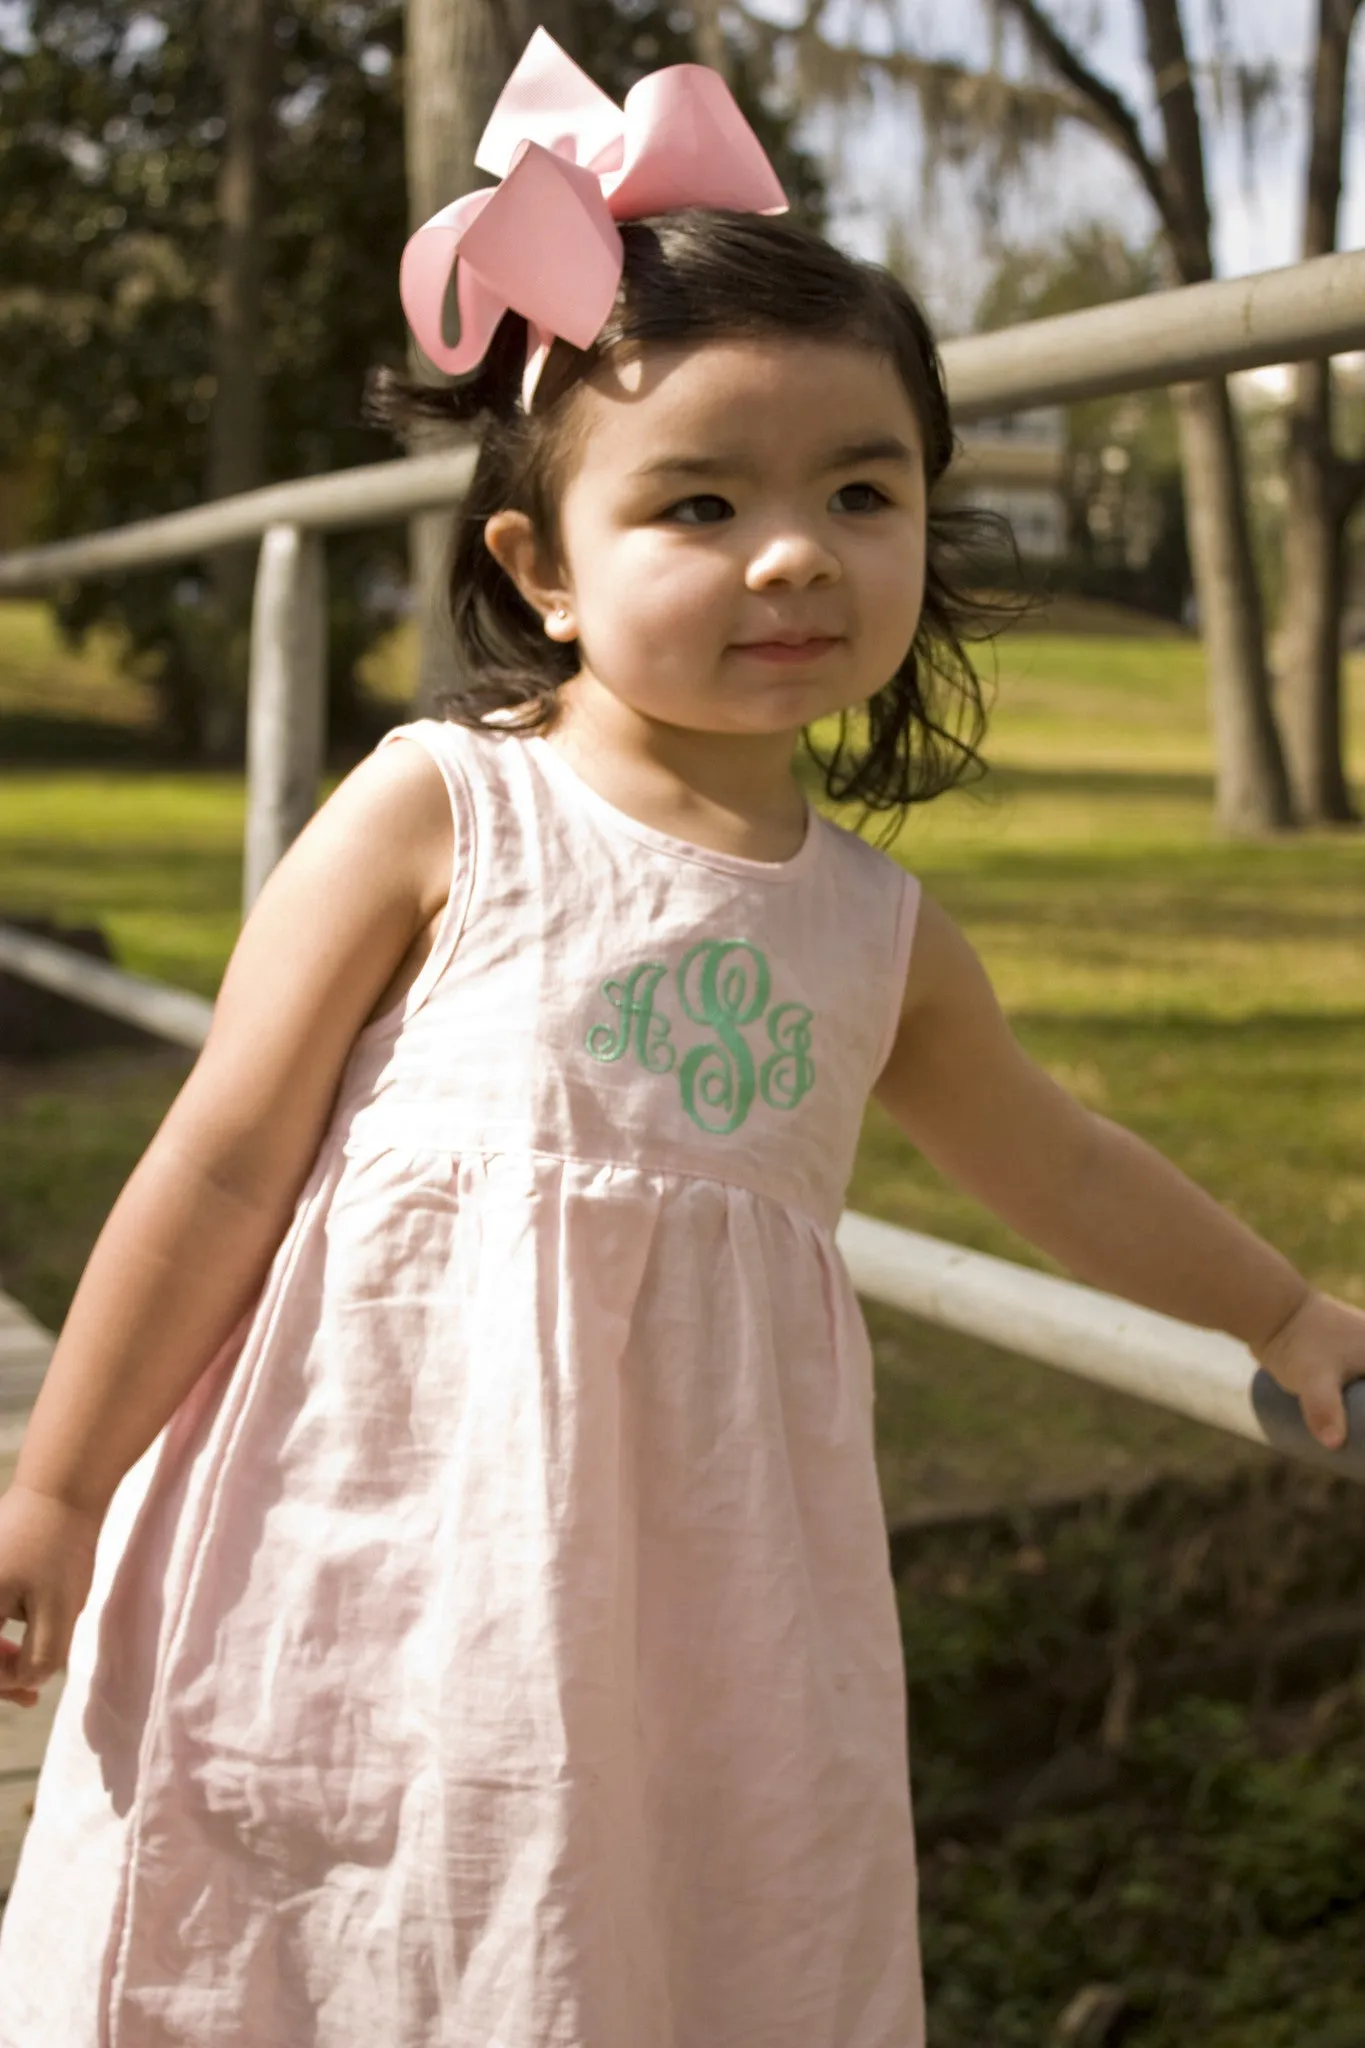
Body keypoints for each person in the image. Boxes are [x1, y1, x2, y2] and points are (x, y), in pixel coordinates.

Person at [0, 28, 1361, 2048]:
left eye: (859, 490)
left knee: (639, 1925)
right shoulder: (437, 811)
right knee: (338, 1905)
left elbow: (1054, 1157)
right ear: (539, 569)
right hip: (372, 1525)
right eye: (701, 501)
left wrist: (1284, 1311)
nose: (793, 550)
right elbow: (217, 1152)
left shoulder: (874, 930)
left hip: (704, 1593)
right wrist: (56, 1477)